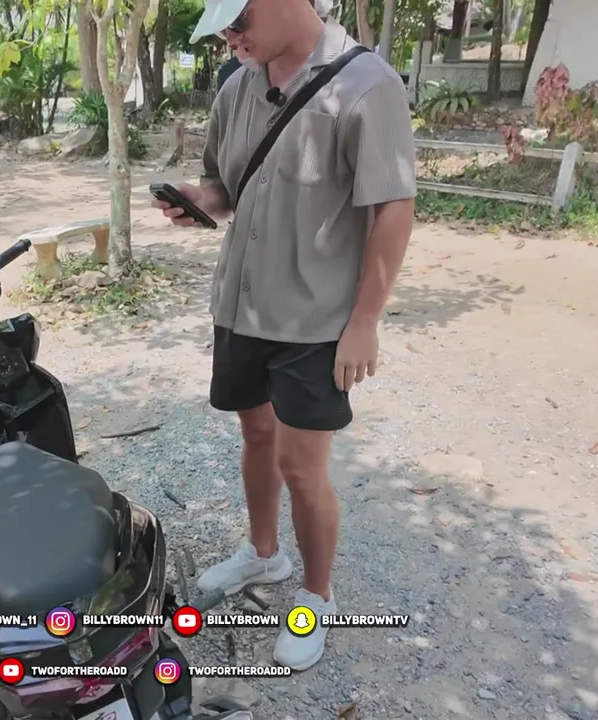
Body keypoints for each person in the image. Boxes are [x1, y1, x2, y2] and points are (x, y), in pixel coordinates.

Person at [153, 0, 416, 672]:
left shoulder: (367, 86)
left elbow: (393, 208)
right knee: (257, 436)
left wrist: (365, 322)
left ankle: (316, 596)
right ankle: (264, 553)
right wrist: (198, 201)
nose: (230, 37)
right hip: (242, 306)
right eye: (222, 26)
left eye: (239, 20)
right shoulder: (236, 86)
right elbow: (223, 187)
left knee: (302, 467)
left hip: (315, 321)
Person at [215, 0, 332, 93]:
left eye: (237, 21)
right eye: (222, 30)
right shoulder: (232, 92)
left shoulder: (342, 86)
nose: (230, 41)